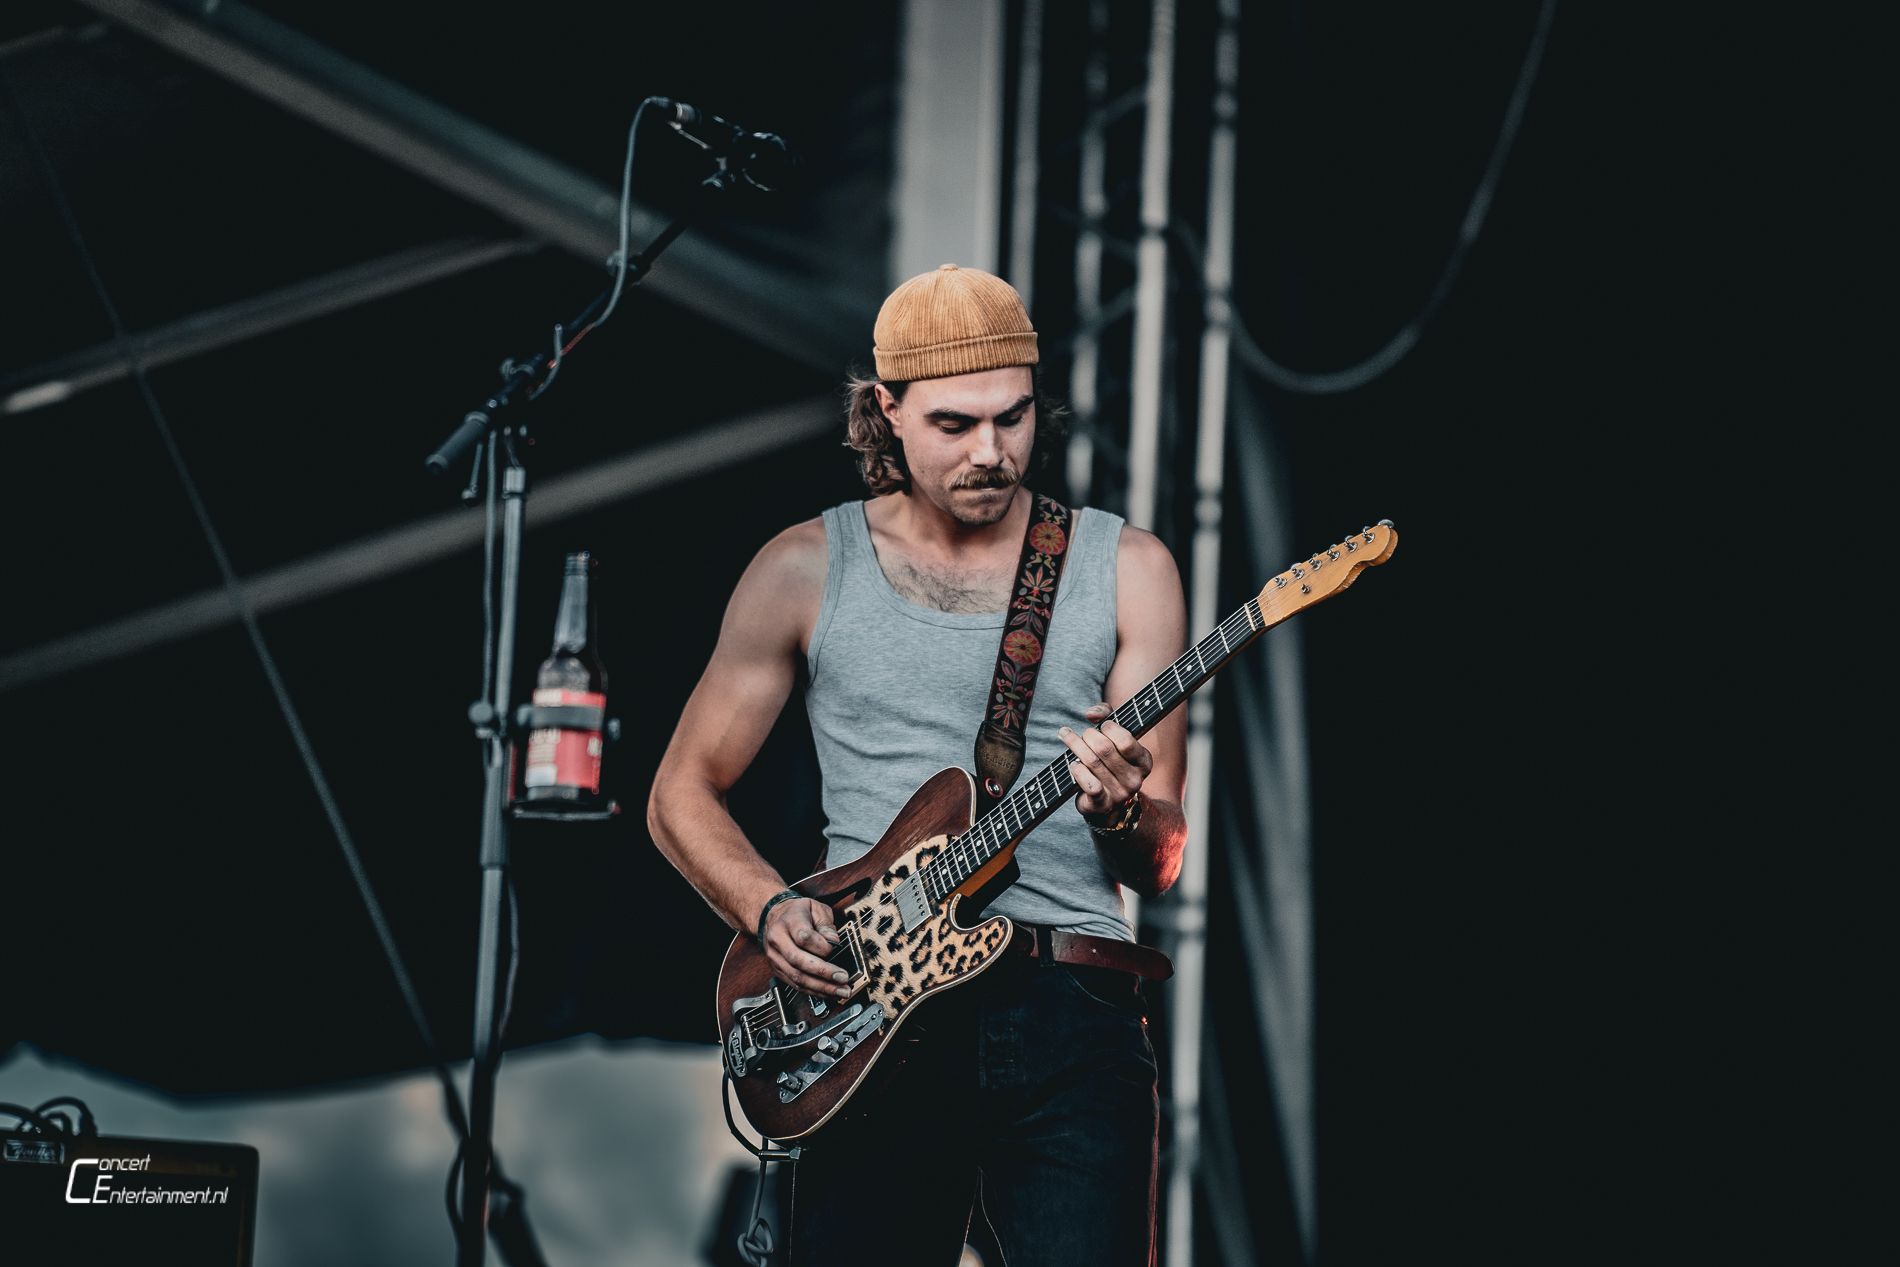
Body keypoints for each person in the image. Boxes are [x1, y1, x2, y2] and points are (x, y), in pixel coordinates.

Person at [646, 263, 1188, 1267]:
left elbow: (1158, 860)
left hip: (1070, 1010)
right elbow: (681, 791)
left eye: (1012, 417)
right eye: (953, 424)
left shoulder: (1127, 567)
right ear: (885, 411)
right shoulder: (803, 567)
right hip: (871, 1014)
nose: (991, 451)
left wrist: (1119, 813)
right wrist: (768, 907)